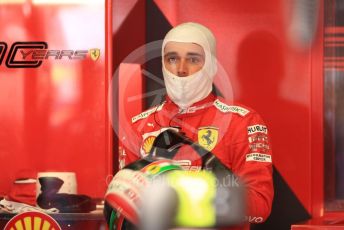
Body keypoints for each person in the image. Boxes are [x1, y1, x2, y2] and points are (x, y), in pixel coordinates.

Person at [119, 22, 273, 229]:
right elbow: (123, 207)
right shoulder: (139, 126)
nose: (181, 69)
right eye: (172, 58)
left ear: (211, 64)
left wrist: (186, 193)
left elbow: (260, 206)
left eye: (193, 59)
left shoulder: (243, 121)